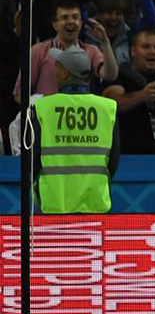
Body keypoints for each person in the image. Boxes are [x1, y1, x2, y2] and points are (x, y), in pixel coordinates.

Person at [32, 45, 119, 213]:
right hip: (96, 202)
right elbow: (113, 161)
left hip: (52, 203)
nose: (54, 71)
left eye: (56, 67)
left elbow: (33, 159)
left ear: (64, 73)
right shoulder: (108, 107)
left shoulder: (42, 107)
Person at [15, 0, 119, 102]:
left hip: (79, 115)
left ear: (81, 23)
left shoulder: (91, 51)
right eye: (65, 18)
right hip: (48, 116)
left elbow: (110, 75)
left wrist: (105, 42)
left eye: (75, 17)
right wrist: (42, 107)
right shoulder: (38, 51)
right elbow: (19, 93)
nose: (70, 22)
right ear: (55, 25)